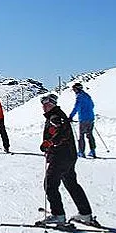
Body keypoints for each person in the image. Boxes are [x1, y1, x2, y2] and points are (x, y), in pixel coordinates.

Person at [37, 93, 95, 225]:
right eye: (43, 104)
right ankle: (85, 214)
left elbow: (61, 132)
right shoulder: (57, 115)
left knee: (50, 184)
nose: (43, 107)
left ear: (51, 104)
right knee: (71, 184)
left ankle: (58, 214)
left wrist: (50, 143)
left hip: (60, 156)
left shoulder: (55, 117)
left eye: (46, 104)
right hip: (68, 155)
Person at [69, 82, 97, 158]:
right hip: (91, 118)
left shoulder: (79, 97)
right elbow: (92, 105)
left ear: (78, 89)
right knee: (90, 135)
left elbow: (76, 107)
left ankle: (81, 152)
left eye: (74, 89)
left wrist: (71, 116)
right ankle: (92, 151)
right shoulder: (87, 96)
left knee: (81, 135)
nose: (74, 91)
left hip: (83, 119)